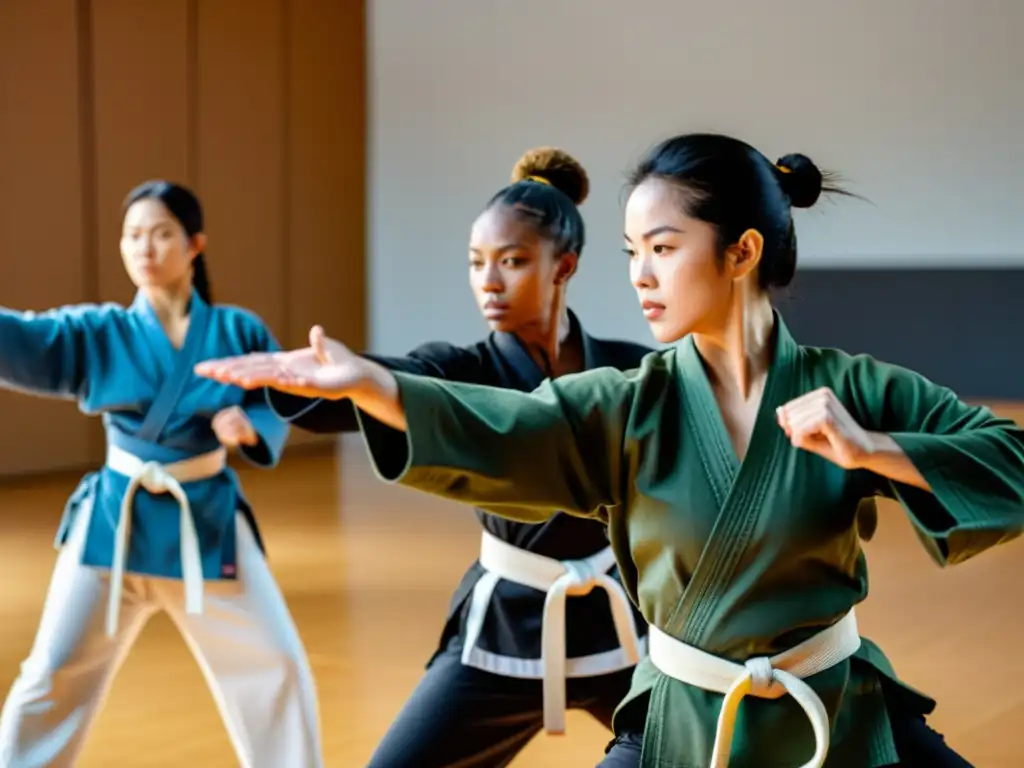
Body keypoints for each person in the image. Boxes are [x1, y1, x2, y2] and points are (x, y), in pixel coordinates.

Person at [194, 132, 1024, 768]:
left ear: (742, 252)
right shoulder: (631, 401)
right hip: (680, 721)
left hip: (838, 709)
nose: (640, 276)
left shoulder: (854, 390)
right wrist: (372, 383)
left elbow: (1008, 460)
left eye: (662, 249)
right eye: (632, 254)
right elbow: (509, 429)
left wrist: (875, 448)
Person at [226, 147, 656, 767]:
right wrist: (331, 381)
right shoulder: (461, 370)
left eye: (512, 262)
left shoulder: (625, 368)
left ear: (563, 266)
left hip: (618, 622)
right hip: (504, 623)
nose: (489, 281)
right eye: (477, 263)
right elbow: (395, 384)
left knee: (686, 747)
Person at [0, 181, 323, 768]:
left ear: (195, 244)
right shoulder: (99, 332)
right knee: (52, 672)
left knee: (276, 665)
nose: (144, 247)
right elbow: (25, 338)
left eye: (160, 233)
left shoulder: (236, 329)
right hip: (113, 524)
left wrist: (249, 427)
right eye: (132, 235)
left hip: (205, 520)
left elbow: (276, 395)